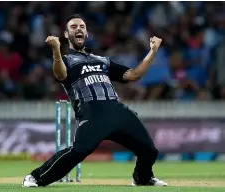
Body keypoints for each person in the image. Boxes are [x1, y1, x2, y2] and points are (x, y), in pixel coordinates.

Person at [22, 14, 167, 187]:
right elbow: (60, 75)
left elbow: (134, 75)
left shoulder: (102, 60)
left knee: (149, 151)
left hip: (116, 110)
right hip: (92, 112)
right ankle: (35, 178)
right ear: (67, 34)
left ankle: (142, 179)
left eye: (82, 26)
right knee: (78, 152)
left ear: (87, 33)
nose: (79, 29)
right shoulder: (67, 60)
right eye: (74, 27)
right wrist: (56, 50)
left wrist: (152, 51)